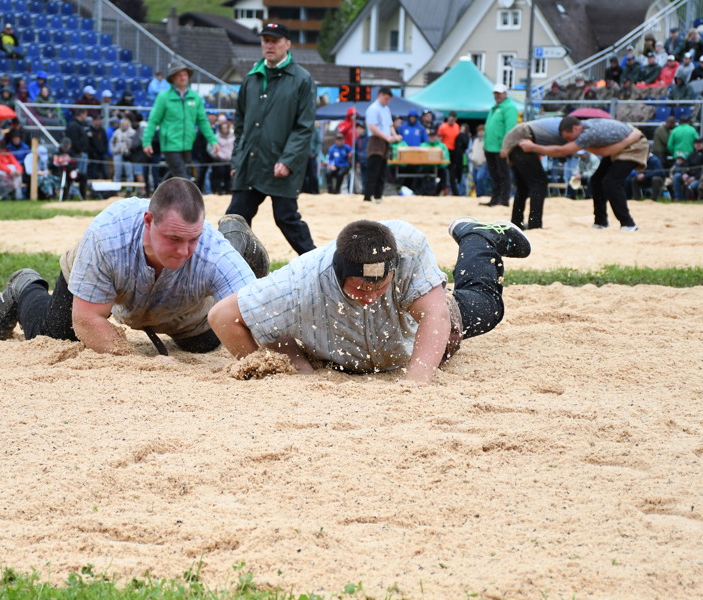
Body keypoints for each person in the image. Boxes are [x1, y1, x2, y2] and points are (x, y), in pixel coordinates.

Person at [208, 217, 531, 384]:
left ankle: (477, 235)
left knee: (486, 307)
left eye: (379, 287)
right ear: (338, 274)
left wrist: (415, 385)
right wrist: (280, 366)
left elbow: (434, 315)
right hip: (342, 356)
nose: (370, 297)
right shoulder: (299, 282)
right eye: (360, 290)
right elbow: (222, 316)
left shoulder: (409, 249)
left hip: (410, 329)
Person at [0, 177, 267, 360]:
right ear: (148, 221)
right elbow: (87, 319)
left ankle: (238, 246)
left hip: (179, 296)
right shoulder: (107, 235)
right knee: (55, 332)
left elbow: (256, 317)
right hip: (104, 277)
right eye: (174, 239)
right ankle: (26, 287)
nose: (183, 250)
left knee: (203, 343)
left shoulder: (211, 250)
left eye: (192, 240)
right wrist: (136, 363)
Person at [225, 22, 317, 256]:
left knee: (286, 219)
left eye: (275, 40)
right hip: (250, 162)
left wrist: (288, 160)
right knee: (235, 218)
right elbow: (240, 124)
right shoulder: (251, 78)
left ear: (288, 44)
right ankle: (235, 268)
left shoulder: (302, 79)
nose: (269, 45)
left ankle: (317, 265)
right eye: (266, 40)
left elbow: (304, 127)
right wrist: (237, 160)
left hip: (282, 163)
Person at [520, 116, 647, 231]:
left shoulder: (588, 134)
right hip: (623, 144)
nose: (569, 141)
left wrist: (533, 147)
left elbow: (563, 151)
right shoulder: (585, 128)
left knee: (611, 182)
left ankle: (628, 224)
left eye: (568, 138)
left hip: (634, 145)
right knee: (596, 180)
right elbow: (603, 150)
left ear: (575, 128)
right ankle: (600, 222)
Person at [141, 61, 217, 182]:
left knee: (177, 175)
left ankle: (161, 195)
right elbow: (153, 121)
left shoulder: (195, 97)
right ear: (173, 78)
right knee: (182, 177)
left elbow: (202, 121)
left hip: (188, 144)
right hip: (170, 144)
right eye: (179, 75)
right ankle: (185, 200)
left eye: (185, 74)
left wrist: (213, 140)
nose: (183, 77)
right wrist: (146, 142)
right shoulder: (163, 97)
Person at [498, 117, 566, 230]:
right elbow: (561, 151)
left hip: (516, 139)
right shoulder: (568, 128)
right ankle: (535, 224)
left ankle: (516, 222)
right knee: (539, 183)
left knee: (523, 185)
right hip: (521, 139)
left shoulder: (564, 124)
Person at [362, 86, 400, 204]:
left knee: (382, 171)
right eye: (386, 98)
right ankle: (368, 197)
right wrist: (387, 137)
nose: (387, 101)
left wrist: (395, 136)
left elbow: (390, 125)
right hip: (375, 141)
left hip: (385, 141)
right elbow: (372, 127)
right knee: (373, 170)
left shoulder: (386, 109)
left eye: (389, 99)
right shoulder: (373, 109)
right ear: (380, 95)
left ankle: (378, 196)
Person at [482, 83, 517, 207]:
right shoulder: (495, 108)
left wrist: (506, 147)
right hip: (490, 147)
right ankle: (495, 199)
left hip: (500, 148)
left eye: (499, 93)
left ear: (505, 94)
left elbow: (510, 129)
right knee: (494, 175)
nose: (497, 95)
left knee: (503, 174)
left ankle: (504, 200)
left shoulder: (510, 107)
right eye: (495, 93)